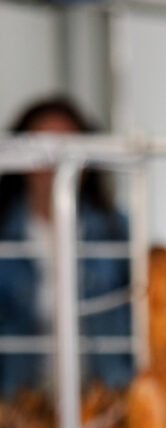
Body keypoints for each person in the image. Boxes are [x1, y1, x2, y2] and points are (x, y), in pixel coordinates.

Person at [0, 95, 134, 397]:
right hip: (18, 406)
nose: (55, 164)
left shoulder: (116, 230)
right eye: (43, 150)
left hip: (104, 401)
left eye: (67, 149)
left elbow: (139, 321)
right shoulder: (4, 238)